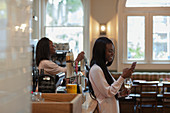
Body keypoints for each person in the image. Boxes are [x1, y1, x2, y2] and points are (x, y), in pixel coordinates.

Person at [88, 37, 136, 113]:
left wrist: (119, 94)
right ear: (101, 51)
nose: (113, 54)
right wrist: (122, 77)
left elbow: (108, 93)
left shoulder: (103, 68)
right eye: (110, 51)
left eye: (113, 51)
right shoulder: (96, 69)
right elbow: (108, 92)